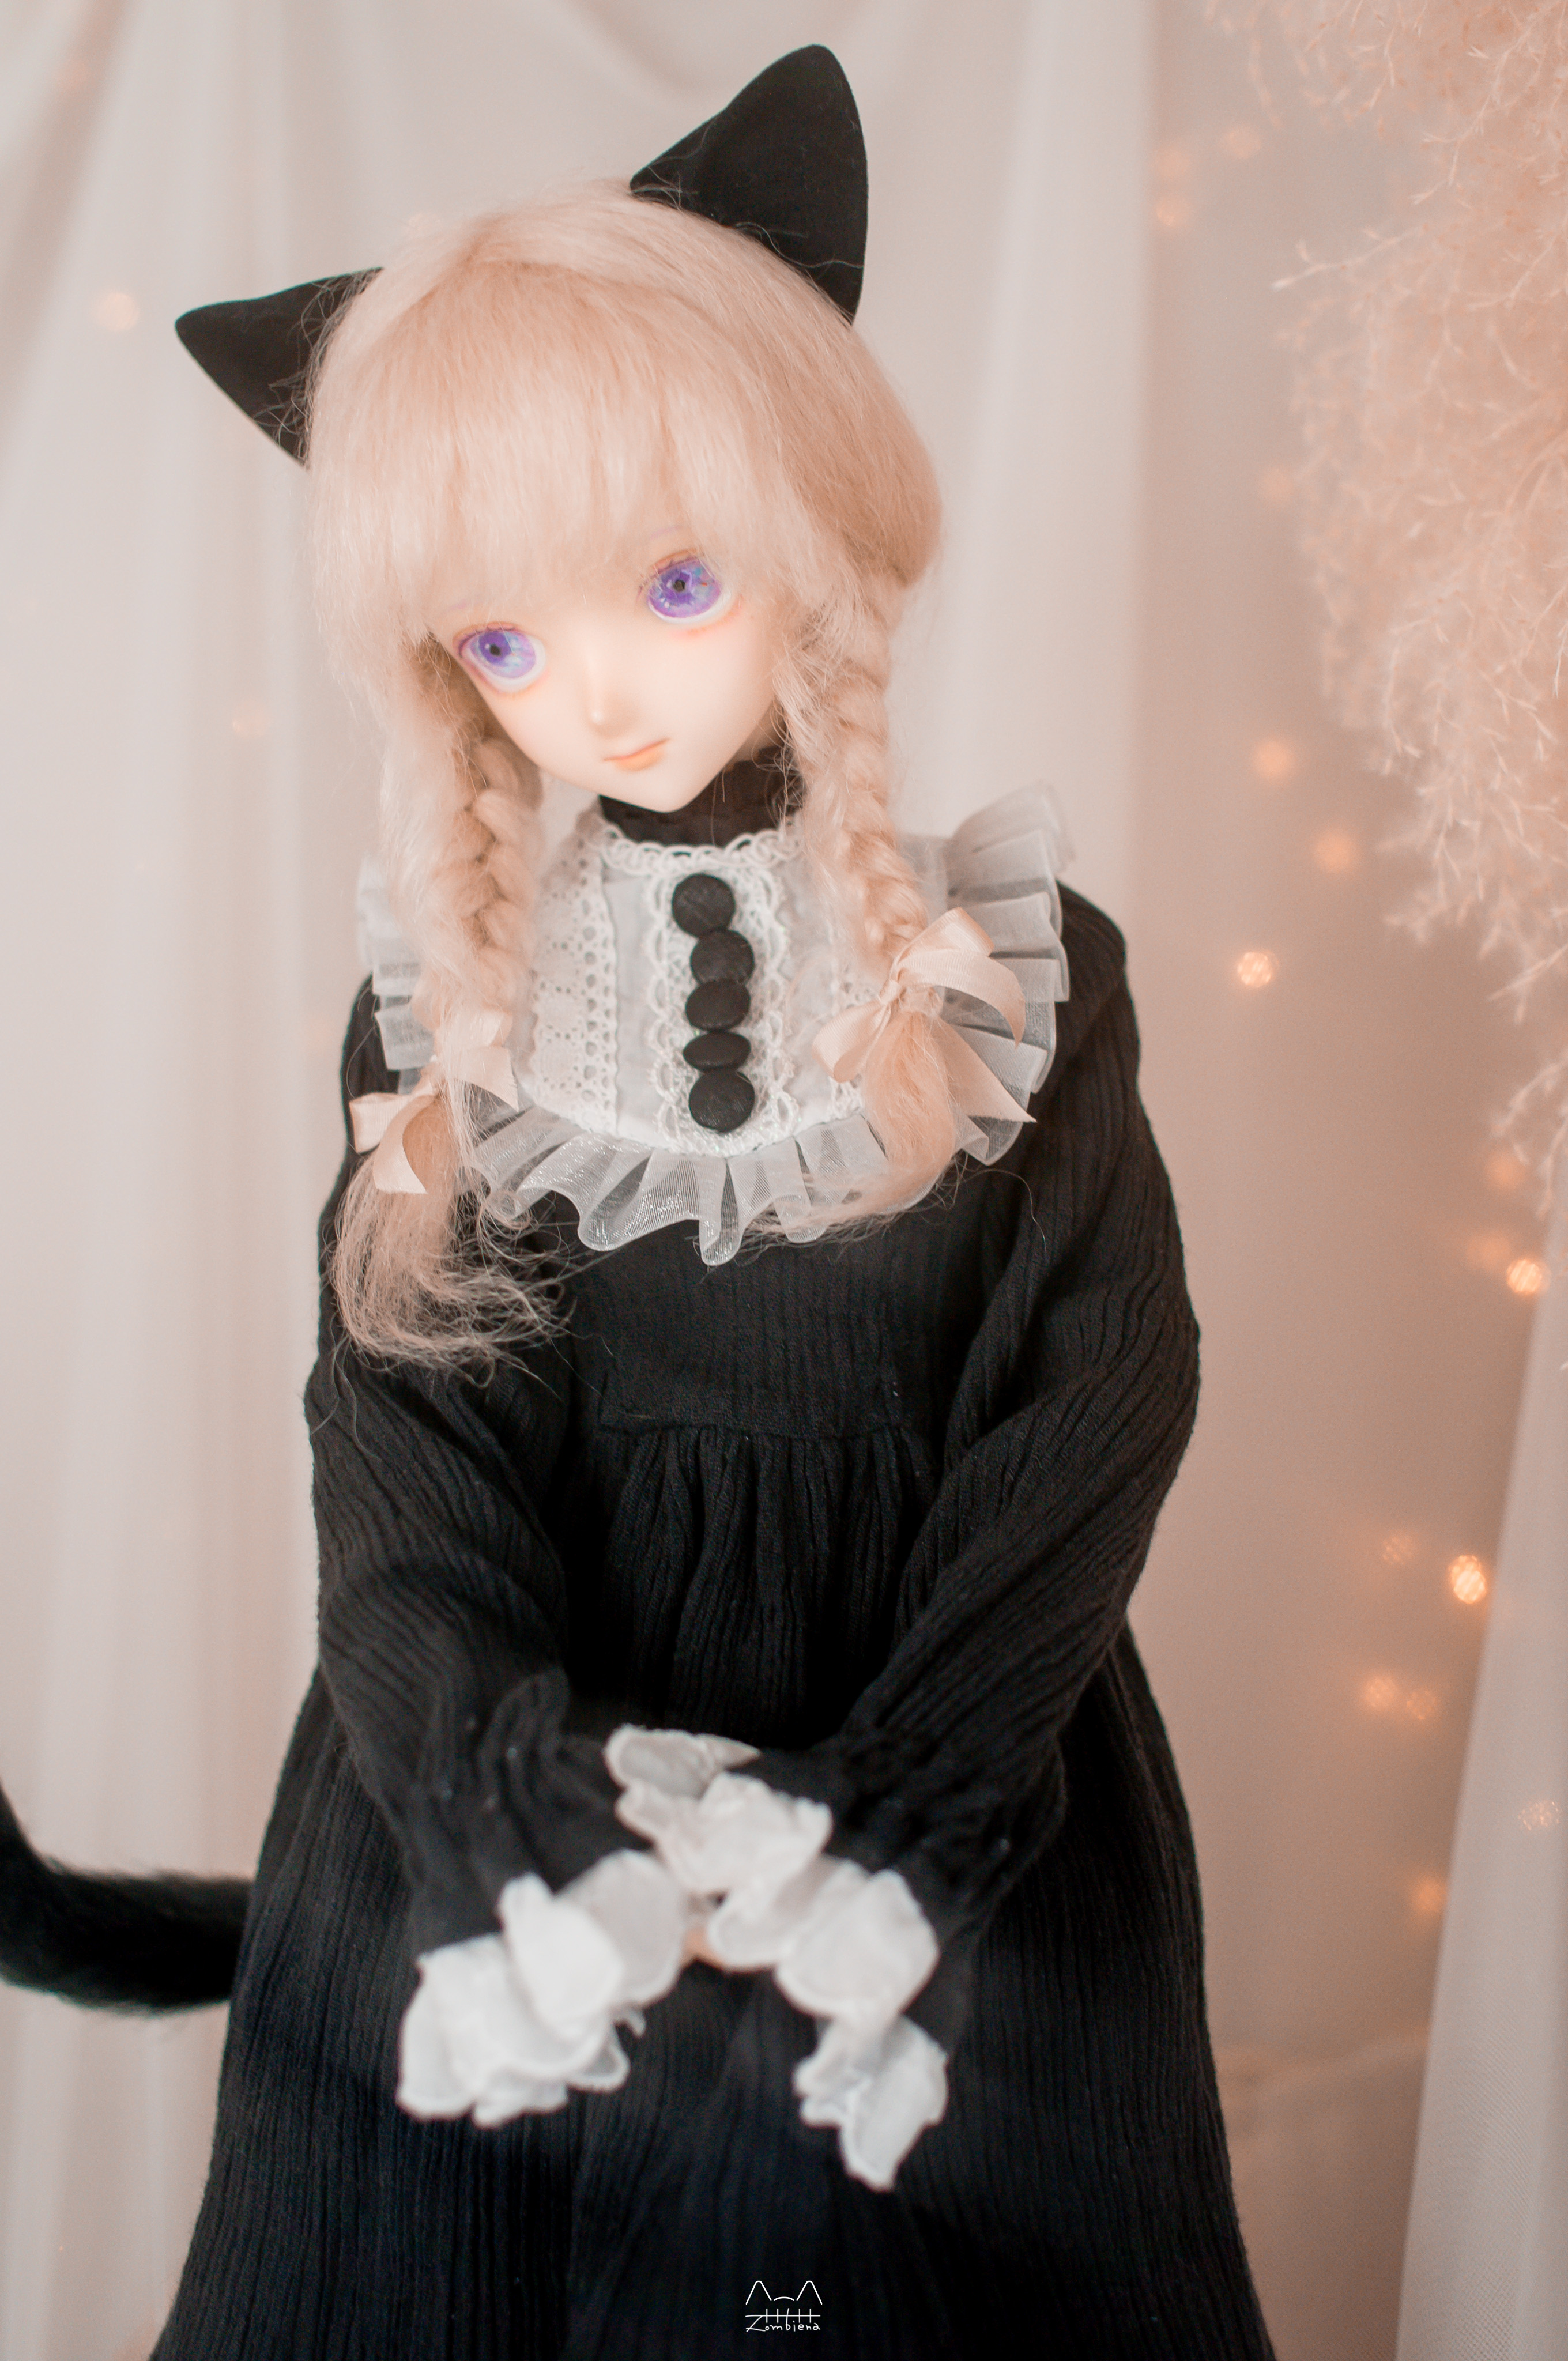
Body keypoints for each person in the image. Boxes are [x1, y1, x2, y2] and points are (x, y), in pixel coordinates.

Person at [0, 49, 1274, 2360]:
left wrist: (899, 1815)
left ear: (812, 534)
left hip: (947, 1780)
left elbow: (1093, 1407)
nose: (591, 693)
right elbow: (404, 1457)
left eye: (671, 583)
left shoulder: (1010, 975)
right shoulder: (454, 1018)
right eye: (502, 638)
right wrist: (501, 1818)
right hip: (500, 1785)